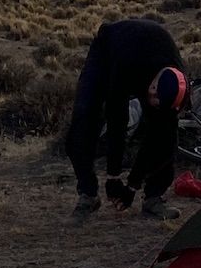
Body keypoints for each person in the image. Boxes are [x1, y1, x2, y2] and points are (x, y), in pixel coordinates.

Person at [66, 18, 189, 221]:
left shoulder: (178, 88)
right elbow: (117, 119)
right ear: (154, 82)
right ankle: (88, 194)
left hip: (145, 52)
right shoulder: (129, 64)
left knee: (166, 135)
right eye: (152, 95)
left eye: (158, 102)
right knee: (83, 118)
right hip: (107, 53)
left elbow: (156, 137)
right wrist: (113, 177)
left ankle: (153, 198)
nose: (151, 101)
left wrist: (132, 185)